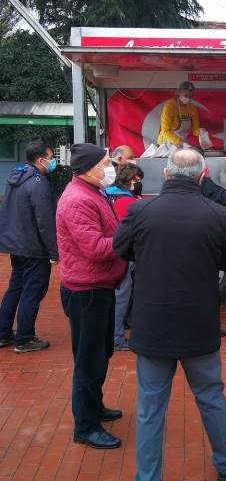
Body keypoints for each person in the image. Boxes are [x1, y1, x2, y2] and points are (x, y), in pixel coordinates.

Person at [113, 148, 226, 481]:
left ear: (166, 174)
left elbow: (120, 249)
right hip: (198, 324)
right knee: (211, 397)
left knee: (150, 408)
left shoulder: (141, 211)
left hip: (152, 325)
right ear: (203, 176)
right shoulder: (217, 214)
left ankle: (148, 476)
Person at [57, 143, 127, 450]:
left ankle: (94, 407)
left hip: (99, 286)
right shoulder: (77, 200)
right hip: (86, 291)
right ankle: (85, 427)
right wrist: (129, 237)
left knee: (101, 354)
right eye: (107, 163)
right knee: (88, 360)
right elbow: (96, 248)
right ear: (87, 169)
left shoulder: (93, 191)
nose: (112, 167)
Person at [0, 139, 58, 353]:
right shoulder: (38, 183)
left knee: (15, 288)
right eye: (51, 157)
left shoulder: (16, 176)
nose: (53, 161)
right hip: (34, 246)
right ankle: (24, 338)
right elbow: (45, 221)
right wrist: (54, 251)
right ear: (41, 160)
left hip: (16, 243)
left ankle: (3, 333)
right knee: (32, 291)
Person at [106, 162, 144, 350]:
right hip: (124, 254)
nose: (139, 184)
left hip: (113, 251)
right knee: (122, 296)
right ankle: (116, 337)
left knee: (123, 294)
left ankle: (124, 325)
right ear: (131, 180)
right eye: (138, 180)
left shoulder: (108, 195)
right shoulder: (128, 202)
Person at [156, 80, 206, 151]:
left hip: (182, 143)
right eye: (185, 96)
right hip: (166, 144)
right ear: (178, 93)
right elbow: (165, 131)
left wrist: (200, 131)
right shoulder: (170, 107)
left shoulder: (192, 108)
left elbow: (195, 130)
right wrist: (181, 142)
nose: (188, 99)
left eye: (190, 96)